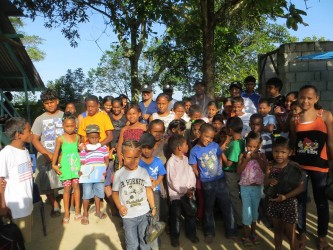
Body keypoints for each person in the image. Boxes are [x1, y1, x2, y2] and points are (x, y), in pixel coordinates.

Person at [290, 85, 333, 249]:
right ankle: (302, 234)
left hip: (320, 167)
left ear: (316, 98)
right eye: (302, 97)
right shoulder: (295, 119)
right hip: (300, 167)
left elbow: (330, 143)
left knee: (321, 201)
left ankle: (322, 236)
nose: (305, 101)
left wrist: (331, 165)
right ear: (298, 99)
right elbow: (294, 142)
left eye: (309, 97)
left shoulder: (326, 116)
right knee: (300, 201)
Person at [189, 123, 236, 243]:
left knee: (226, 205)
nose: (209, 140)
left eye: (211, 137)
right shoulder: (194, 151)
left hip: (220, 180)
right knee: (208, 207)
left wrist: (219, 169)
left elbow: (219, 156)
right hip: (207, 183)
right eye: (206, 136)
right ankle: (209, 232)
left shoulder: (215, 145)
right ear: (199, 134)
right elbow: (194, 167)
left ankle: (231, 231)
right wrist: (200, 176)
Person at [112, 140, 156, 250]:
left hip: (144, 214)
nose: (132, 161)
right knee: (132, 244)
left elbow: (148, 190)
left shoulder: (143, 172)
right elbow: (114, 193)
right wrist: (119, 206)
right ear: (122, 156)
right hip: (128, 216)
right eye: (129, 157)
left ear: (140, 156)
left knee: (145, 241)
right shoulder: (119, 174)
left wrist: (153, 206)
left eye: (136, 157)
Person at [265, 137, 304, 250]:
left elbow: (301, 187)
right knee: (277, 230)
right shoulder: (270, 166)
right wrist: (269, 181)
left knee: (290, 233)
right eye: (276, 151)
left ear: (290, 152)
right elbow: (264, 182)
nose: (279, 155)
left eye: (283, 152)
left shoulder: (294, 167)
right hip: (273, 202)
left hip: (289, 203)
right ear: (272, 150)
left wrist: (285, 197)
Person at [0, 117, 33, 243]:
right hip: (15, 209)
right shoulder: (6, 154)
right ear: (18, 134)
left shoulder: (25, 151)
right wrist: (2, 206)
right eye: (29, 131)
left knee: (25, 241)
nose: (31, 133)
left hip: (27, 206)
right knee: (17, 242)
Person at [31, 88, 63, 217]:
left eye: (52, 101)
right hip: (45, 155)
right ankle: (54, 204)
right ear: (43, 104)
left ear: (57, 101)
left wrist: (62, 154)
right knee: (46, 181)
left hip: (62, 154)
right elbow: (35, 139)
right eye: (46, 102)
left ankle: (68, 201)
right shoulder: (39, 119)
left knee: (65, 178)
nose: (49, 104)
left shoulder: (64, 115)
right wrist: (47, 154)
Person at [167, 134, 198, 247]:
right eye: (186, 144)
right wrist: (185, 190)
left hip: (188, 193)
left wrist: (191, 188)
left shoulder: (186, 159)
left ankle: (191, 234)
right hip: (176, 195)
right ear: (180, 147)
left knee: (191, 214)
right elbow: (172, 181)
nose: (188, 146)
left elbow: (191, 175)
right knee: (176, 217)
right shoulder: (171, 162)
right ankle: (175, 237)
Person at [237, 131, 266, 246]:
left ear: (259, 146)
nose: (252, 149)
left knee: (254, 212)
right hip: (245, 188)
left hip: (257, 188)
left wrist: (258, 159)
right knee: (246, 212)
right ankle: (245, 235)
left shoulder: (262, 156)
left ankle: (253, 233)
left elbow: (265, 169)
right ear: (246, 144)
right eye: (250, 146)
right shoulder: (242, 155)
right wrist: (247, 160)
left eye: (255, 147)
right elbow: (239, 171)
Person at [52, 112, 81, 224]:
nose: (70, 128)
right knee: (67, 189)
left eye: (72, 126)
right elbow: (56, 152)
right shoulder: (60, 139)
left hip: (75, 166)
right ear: (63, 126)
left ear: (75, 126)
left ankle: (78, 210)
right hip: (65, 166)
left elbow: (79, 151)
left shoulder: (78, 137)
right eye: (67, 126)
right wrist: (54, 165)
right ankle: (67, 213)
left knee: (76, 187)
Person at [139, 133, 166, 249]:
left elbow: (161, 174)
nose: (146, 150)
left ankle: (154, 244)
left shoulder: (158, 161)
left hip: (155, 193)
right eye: (143, 147)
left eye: (149, 147)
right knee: (143, 219)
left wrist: (156, 182)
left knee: (155, 219)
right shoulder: (137, 162)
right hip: (141, 194)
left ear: (154, 147)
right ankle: (144, 243)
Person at [79, 124, 109, 225]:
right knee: (86, 195)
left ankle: (97, 211)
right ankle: (85, 214)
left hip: (99, 174)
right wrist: (81, 171)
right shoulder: (84, 149)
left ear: (99, 136)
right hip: (87, 175)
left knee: (98, 193)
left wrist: (105, 169)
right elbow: (82, 162)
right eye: (92, 137)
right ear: (87, 137)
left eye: (96, 137)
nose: (94, 139)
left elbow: (106, 160)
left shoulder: (103, 147)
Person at [221, 116, 245, 228]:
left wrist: (220, 152)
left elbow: (229, 163)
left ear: (230, 130)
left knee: (234, 197)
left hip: (231, 173)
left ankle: (240, 221)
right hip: (238, 173)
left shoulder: (235, 144)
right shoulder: (242, 141)